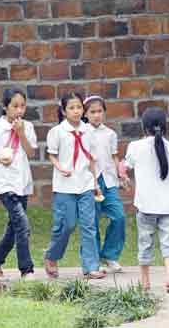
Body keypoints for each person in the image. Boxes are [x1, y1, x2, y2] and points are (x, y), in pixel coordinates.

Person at [120, 107, 169, 293]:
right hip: (168, 206)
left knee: (145, 242)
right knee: (168, 242)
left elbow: (125, 168)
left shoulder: (135, 147)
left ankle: (145, 281)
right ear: (165, 127)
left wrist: (124, 178)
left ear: (144, 127)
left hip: (146, 205)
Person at [43, 92, 106, 279]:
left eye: (79, 107)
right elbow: (51, 154)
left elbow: (91, 160)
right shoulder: (57, 132)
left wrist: (96, 184)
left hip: (85, 184)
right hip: (64, 186)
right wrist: (60, 167)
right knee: (66, 224)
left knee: (89, 226)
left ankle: (91, 267)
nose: (76, 111)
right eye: (72, 108)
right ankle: (52, 255)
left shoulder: (89, 131)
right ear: (64, 111)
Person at [0, 88, 38, 281]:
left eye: (23, 106)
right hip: (4, 184)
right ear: (5, 107)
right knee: (22, 224)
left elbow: (31, 153)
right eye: (15, 106)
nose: (19, 110)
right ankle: (26, 269)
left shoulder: (27, 127)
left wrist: (21, 133)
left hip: (22, 182)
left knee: (14, 228)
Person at [83, 95, 126, 273]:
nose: (96, 115)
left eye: (100, 111)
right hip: (89, 181)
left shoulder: (110, 134)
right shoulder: (81, 132)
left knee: (119, 216)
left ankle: (110, 254)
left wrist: (121, 175)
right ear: (85, 114)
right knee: (91, 222)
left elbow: (114, 156)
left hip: (109, 180)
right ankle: (93, 261)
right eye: (92, 112)